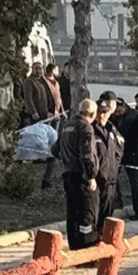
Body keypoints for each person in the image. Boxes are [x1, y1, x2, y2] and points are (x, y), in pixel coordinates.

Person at [58, 99, 99, 249]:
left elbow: (55, 149)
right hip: (81, 176)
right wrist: (91, 176)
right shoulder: (85, 127)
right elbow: (87, 155)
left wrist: (66, 159)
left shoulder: (66, 125)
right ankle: (86, 246)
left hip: (67, 174)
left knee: (72, 213)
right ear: (93, 114)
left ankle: (74, 245)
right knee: (86, 213)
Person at [93, 94, 125, 231]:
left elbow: (120, 148)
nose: (102, 116)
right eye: (99, 113)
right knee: (94, 215)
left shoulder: (112, 130)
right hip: (96, 178)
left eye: (105, 113)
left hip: (110, 179)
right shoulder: (90, 130)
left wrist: (115, 166)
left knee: (107, 216)